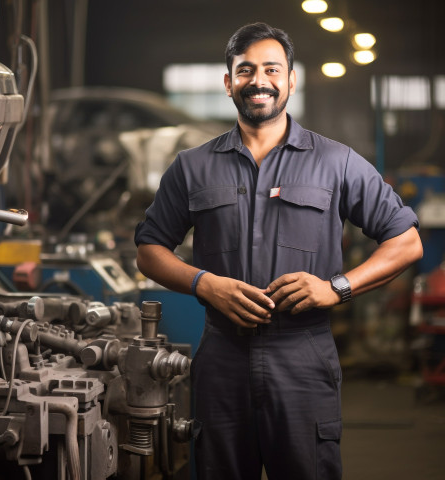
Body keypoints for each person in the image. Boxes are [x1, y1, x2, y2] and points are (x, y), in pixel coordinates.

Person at [134, 22, 423, 480]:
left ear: (290, 80)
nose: (259, 80)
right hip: (222, 357)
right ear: (229, 83)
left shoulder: (337, 162)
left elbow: (406, 242)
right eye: (245, 70)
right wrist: (203, 283)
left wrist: (337, 288)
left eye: (272, 68)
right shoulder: (192, 166)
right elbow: (149, 249)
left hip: (304, 356)